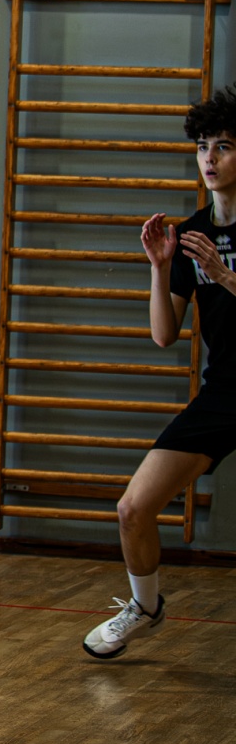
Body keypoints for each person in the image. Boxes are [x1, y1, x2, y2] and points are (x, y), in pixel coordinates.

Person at [83, 82, 236, 658]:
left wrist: (226, 278)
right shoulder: (193, 234)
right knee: (132, 509)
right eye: (202, 147)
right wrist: (159, 267)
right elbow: (164, 334)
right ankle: (145, 606)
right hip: (225, 394)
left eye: (223, 146)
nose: (210, 159)